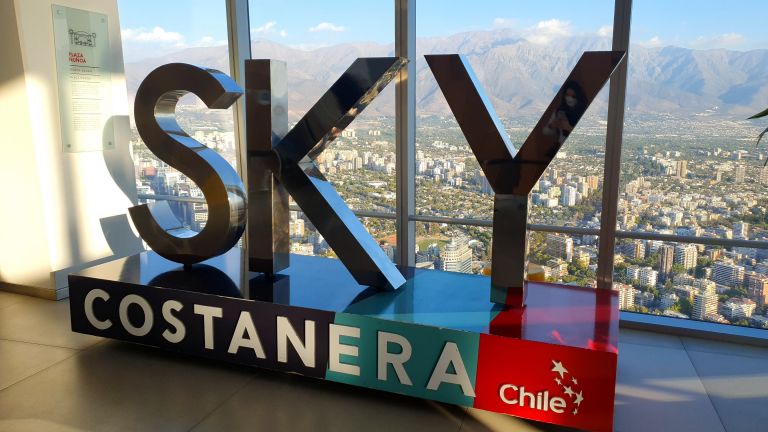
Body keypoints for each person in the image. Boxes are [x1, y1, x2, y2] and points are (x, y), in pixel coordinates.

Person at [543, 81, 587, 145]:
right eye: (567, 95)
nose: (570, 98)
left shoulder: (584, 112)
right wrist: (552, 125)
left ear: (579, 97)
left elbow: (586, 135)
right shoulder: (560, 111)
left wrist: (568, 127)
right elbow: (545, 131)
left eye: (573, 96)